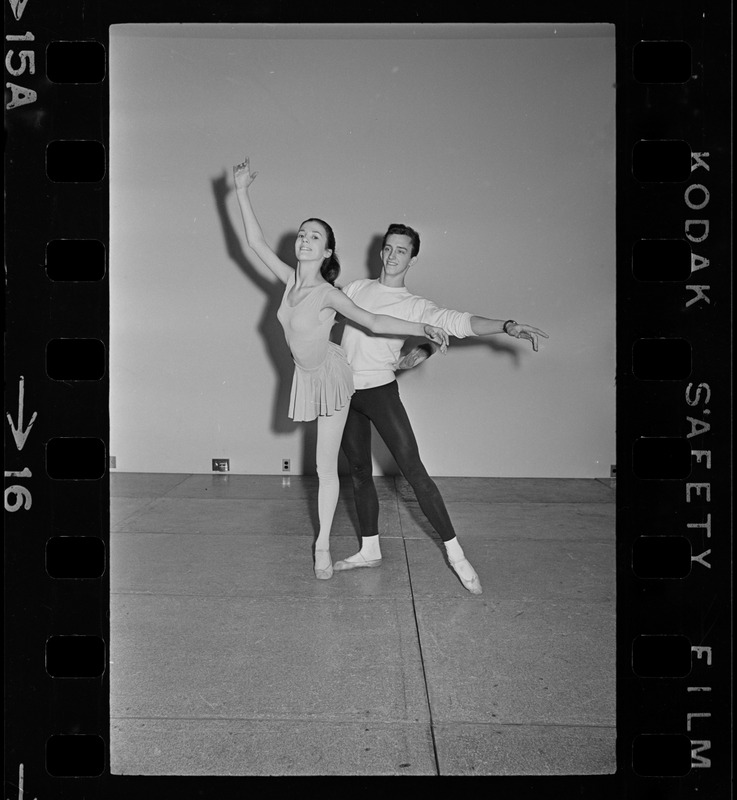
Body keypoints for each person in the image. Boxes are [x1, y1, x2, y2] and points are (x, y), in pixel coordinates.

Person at [232, 161, 451, 581]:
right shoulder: (289, 280)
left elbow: (372, 322)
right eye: (301, 234)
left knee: (324, 467)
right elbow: (255, 243)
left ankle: (322, 546)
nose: (304, 240)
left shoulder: (329, 293)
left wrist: (422, 327)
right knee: (329, 467)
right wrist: (242, 190)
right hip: (306, 377)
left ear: (328, 251)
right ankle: (337, 544)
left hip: (333, 378)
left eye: (314, 236)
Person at [335, 223, 549, 595]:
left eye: (401, 250)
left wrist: (507, 326)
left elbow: (458, 322)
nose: (392, 255)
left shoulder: (415, 305)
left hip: (380, 392)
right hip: (345, 392)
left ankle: (456, 555)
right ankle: (369, 549)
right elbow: (326, 312)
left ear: (412, 259)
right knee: (357, 472)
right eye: (388, 248)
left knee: (414, 472)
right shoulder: (357, 289)